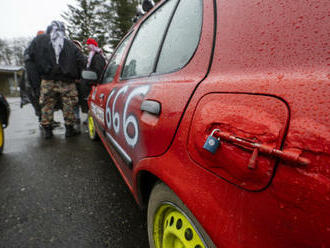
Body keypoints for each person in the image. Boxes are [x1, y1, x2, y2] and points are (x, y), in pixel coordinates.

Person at [24, 21, 86, 139]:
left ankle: (48, 130)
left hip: (47, 80)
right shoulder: (69, 44)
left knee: (47, 104)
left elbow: (29, 58)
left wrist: (35, 81)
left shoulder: (38, 41)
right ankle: (69, 129)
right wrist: (78, 76)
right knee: (69, 103)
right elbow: (81, 61)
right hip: (67, 81)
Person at [80, 38, 106, 117]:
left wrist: (92, 81)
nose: (87, 47)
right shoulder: (93, 56)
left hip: (95, 85)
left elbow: (99, 71)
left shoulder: (96, 57)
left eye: (88, 45)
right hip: (92, 84)